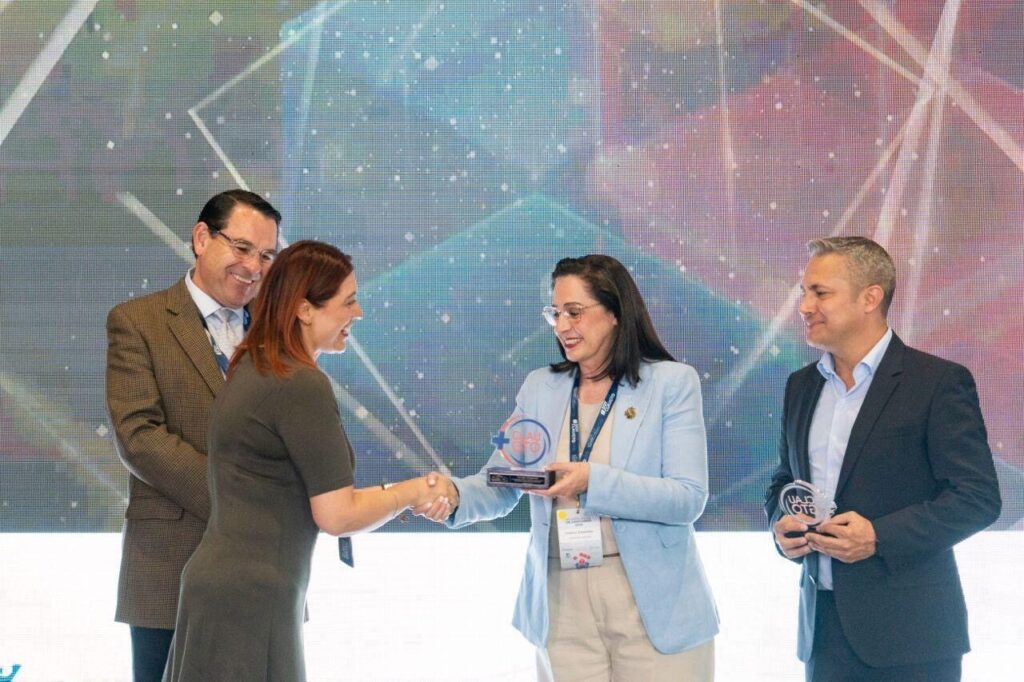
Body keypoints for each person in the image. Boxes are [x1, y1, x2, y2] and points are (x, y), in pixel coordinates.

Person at [162, 240, 454, 681]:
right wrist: (415, 491)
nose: (358, 313)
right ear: (304, 309)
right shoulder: (298, 384)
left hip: (230, 594)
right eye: (348, 302)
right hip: (250, 602)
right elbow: (338, 514)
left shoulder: (255, 366)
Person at [420, 255, 719, 681]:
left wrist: (592, 481)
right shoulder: (541, 387)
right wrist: (454, 497)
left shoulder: (671, 383)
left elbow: (687, 498)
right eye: (555, 313)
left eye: (574, 312)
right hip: (562, 601)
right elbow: (503, 480)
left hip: (654, 601)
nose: (562, 326)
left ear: (615, 313)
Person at [765, 236, 1001, 681]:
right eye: (804, 292)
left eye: (820, 292)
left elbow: (977, 498)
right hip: (822, 633)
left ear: (870, 298)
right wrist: (782, 526)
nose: (805, 306)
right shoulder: (801, 386)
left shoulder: (936, 382)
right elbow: (784, 481)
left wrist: (878, 536)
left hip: (912, 637)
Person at [106, 189, 282, 681]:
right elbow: (140, 437)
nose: (254, 267)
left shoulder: (279, 333)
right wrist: (238, 505)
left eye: (267, 256)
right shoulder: (138, 322)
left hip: (268, 571)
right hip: (171, 569)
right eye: (242, 248)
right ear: (202, 238)